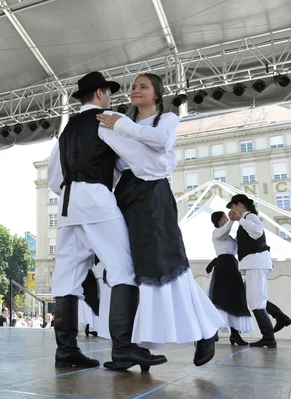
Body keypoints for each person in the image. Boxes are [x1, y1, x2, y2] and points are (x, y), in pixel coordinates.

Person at [96, 73, 223, 367]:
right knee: (134, 267)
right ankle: (139, 348)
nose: (135, 90)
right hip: (126, 195)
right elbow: (120, 167)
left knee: (163, 263)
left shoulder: (165, 120)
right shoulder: (120, 125)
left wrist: (122, 127)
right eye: (133, 87)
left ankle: (206, 329)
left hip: (153, 197)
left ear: (157, 94)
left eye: (143, 86)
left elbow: (161, 143)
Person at [48, 71, 167, 371]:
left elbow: (54, 179)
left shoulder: (66, 131)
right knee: (124, 269)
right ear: (100, 94)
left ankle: (66, 351)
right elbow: (137, 159)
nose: (112, 99)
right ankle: (124, 349)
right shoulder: (105, 119)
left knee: (67, 278)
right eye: (109, 93)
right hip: (96, 199)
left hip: (67, 203)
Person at [227, 194, 291, 347]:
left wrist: (240, 219)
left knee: (256, 301)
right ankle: (280, 317)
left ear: (240, 205)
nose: (232, 210)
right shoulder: (245, 220)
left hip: (255, 263)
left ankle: (269, 336)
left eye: (233, 206)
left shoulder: (250, 217)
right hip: (253, 263)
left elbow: (257, 232)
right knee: (254, 298)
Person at [207, 211, 254, 345]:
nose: (227, 219)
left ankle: (235, 334)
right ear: (218, 220)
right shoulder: (217, 232)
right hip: (223, 266)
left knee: (235, 298)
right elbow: (225, 230)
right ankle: (212, 332)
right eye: (224, 217)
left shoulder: (229, 236)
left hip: (232, 265)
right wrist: (233, 220)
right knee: (221, 298)